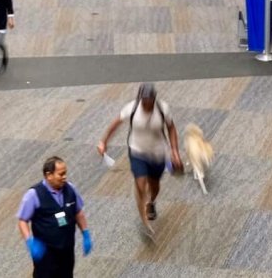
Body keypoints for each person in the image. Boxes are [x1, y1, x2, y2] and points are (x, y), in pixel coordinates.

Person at [96, 83, 181, 236]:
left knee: (154, 185)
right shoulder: (132, 108)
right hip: (137, 152)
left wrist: (174, 151)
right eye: (144, 101)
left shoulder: (162, 109)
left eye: (149, 101)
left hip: (158, 153)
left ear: (154, 99)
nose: (146, 104)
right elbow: (115, 125)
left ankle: (151, 202)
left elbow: (171, 128)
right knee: (141, 183)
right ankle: (144, 216)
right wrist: (104, 141)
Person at [15, 157, 92, 278]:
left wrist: (86, 233)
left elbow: (78, 212)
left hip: (66, 249)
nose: (64, 177)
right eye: (61, 174)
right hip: (46, 253)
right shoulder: (34, 194)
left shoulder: (70, 189)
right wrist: (30, 242)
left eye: (65, 173)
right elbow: (22, 221)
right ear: (49, 175)